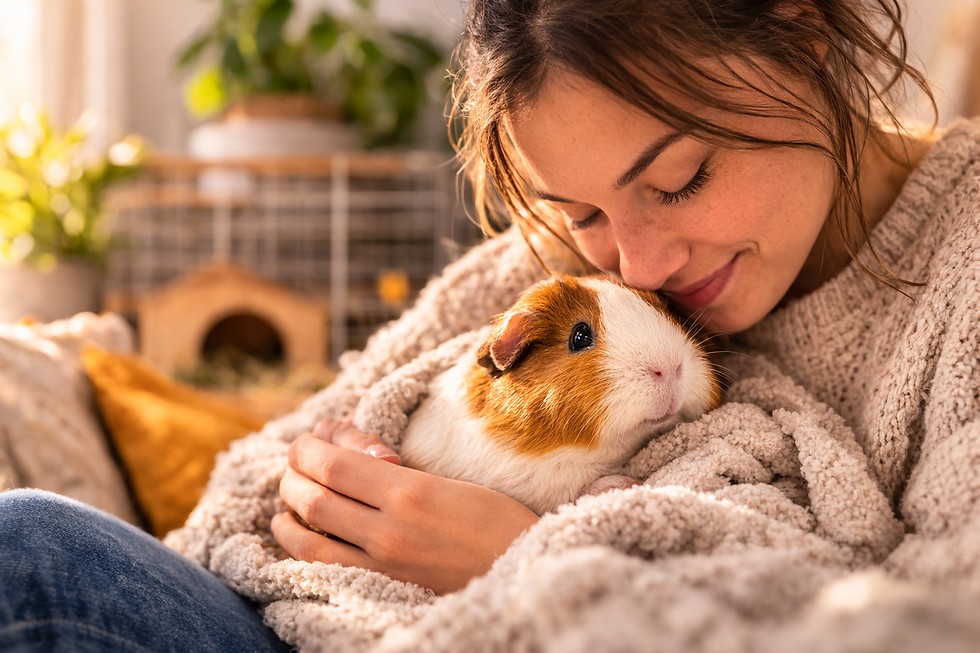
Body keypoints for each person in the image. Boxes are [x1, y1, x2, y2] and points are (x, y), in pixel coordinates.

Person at [4, 0, 979, 650]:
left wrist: (528, 554)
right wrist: (316, 491)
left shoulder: (962, 251)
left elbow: (931, 621)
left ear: (802, 37)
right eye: (582, 212)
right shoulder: (561, 261)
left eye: (680, 180)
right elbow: (244, 490)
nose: (634, 266)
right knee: (29, 544)